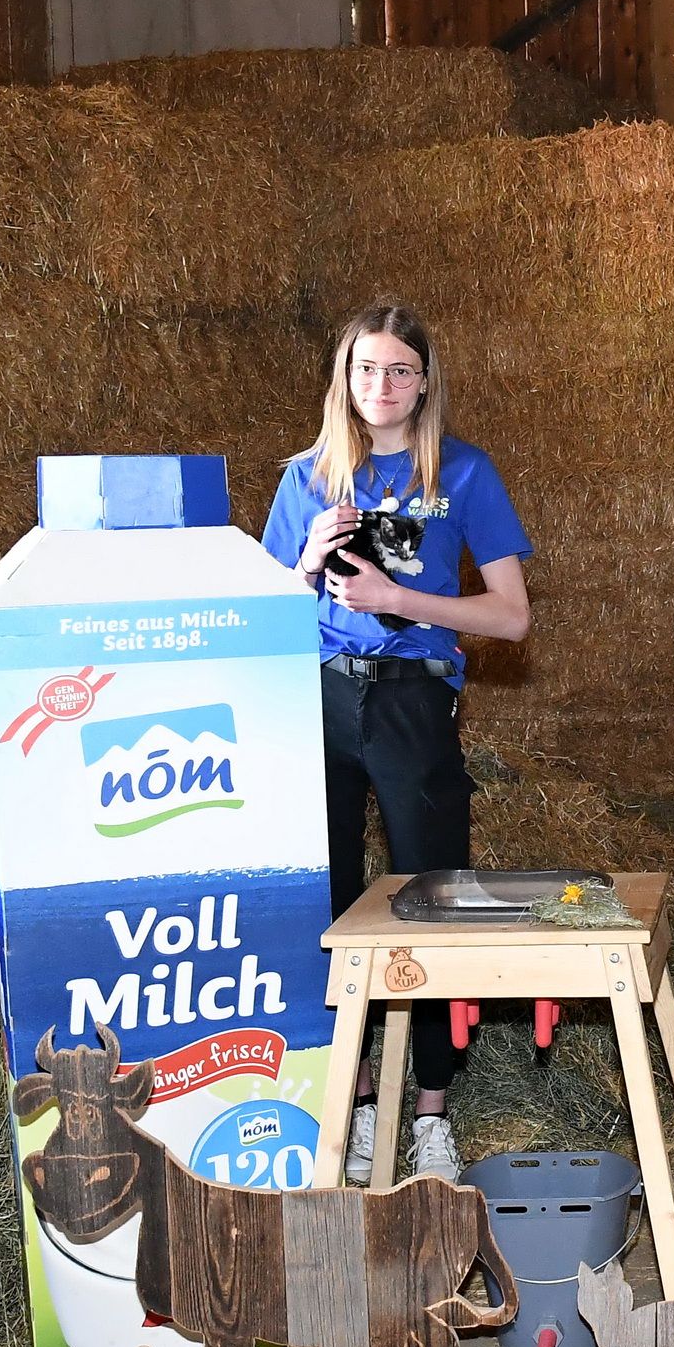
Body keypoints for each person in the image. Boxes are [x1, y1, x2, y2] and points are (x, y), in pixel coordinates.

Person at [262, 305, 532, 1186]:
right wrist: (304, 564)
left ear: (426, 381)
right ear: (344, 379)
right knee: (333, 904)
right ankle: (357, 1095)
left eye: (400, 372)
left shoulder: (462, 471)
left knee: (431, 895)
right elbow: (259, 617)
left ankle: (431, 1111)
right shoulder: (305, 476)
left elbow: (511, 615)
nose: (382, 387)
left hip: (413, 697)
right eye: (366, 370)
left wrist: (401, 601)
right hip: (319, 700)